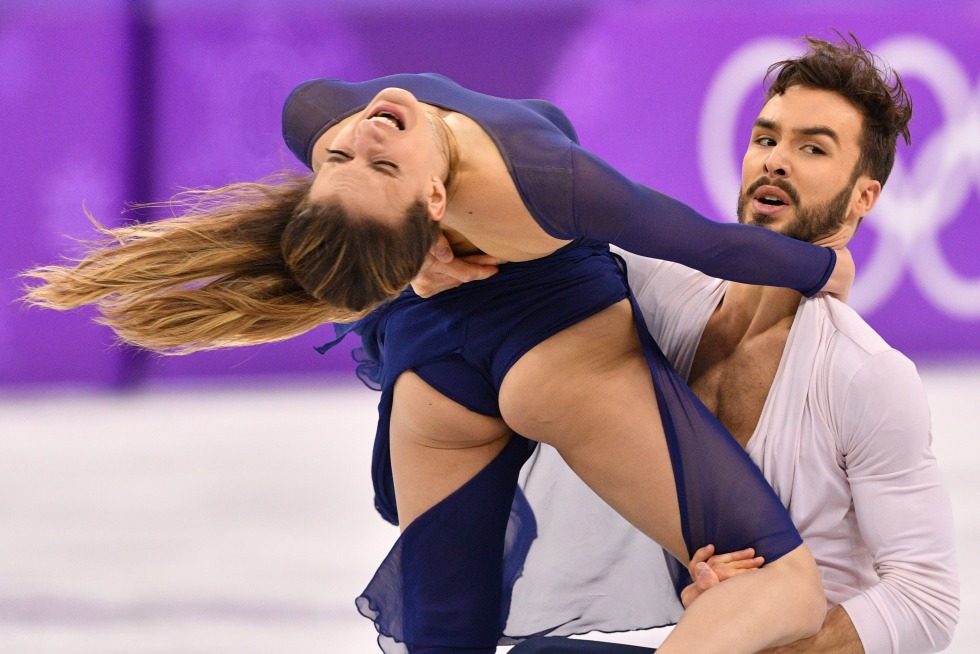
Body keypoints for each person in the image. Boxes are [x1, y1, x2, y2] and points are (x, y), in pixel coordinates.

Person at [20, 70, 862, 654]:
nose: (364, 133)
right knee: (782, 584)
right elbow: (703, 239)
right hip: (553, 345)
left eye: (350, 158)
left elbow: (702, 242)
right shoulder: (550, 180)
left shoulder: (314, 111)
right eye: (368, 161)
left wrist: (414, 264)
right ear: (428, 204)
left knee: (443, 641)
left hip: (432, 382)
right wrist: (826, 267)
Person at [497, 35, 959, 654]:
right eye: (766, 139)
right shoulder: (658, 296)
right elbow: (539, 244)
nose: (775, 161)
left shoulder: (864, 374)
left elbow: (927, 600)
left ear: (863, 198)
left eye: (812, 148)